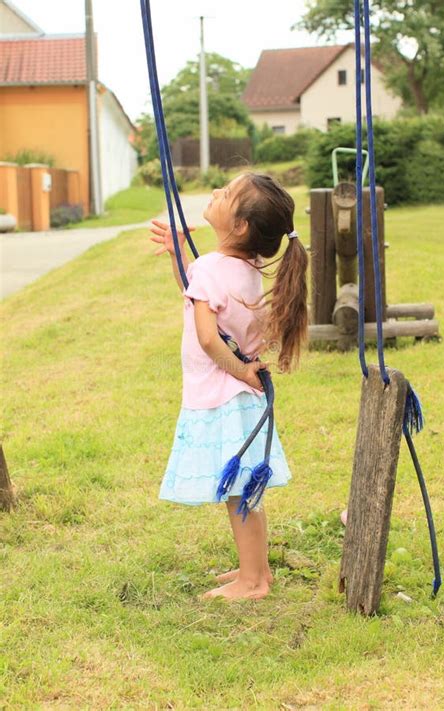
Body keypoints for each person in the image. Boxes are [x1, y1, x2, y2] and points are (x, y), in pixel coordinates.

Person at [150, 172, 308, 601]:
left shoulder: (210, 269)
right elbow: (197, 296)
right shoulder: (244, 266)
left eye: (226, 193)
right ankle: (255, 570)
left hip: (222, 394)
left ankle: (252, 582)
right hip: (240, 400)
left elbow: (206, 336)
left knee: (239, 494)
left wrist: (237, 371)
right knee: (245, 492)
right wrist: (177, 253)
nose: (216, 192)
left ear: (239, 226)